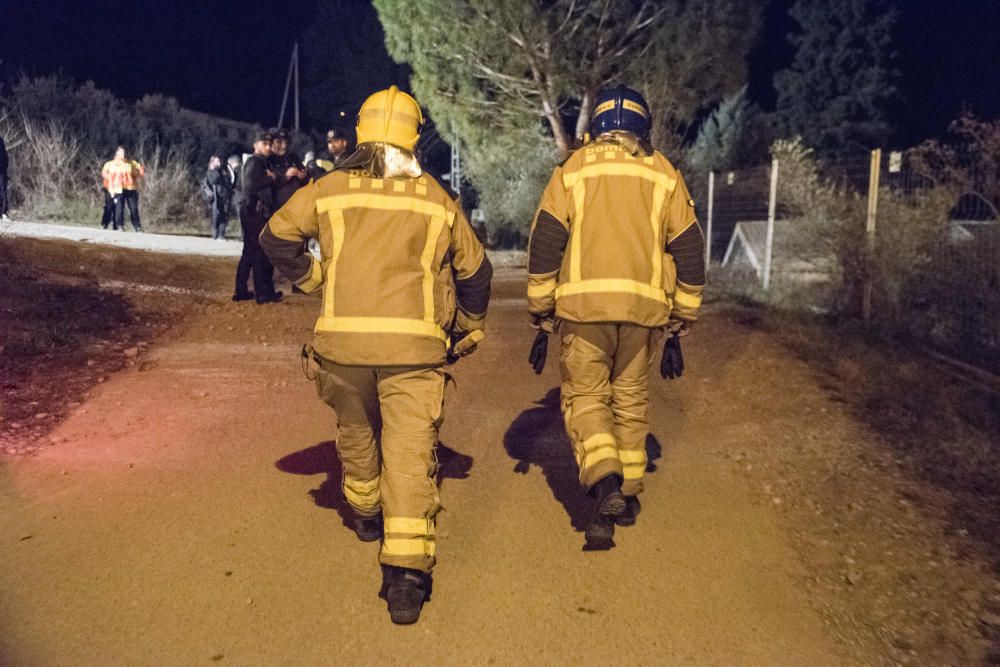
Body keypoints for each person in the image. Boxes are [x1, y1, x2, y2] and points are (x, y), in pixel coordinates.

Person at [260, 86, 492, 624]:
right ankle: (406, 576)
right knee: (410, 453)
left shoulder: (328, 189)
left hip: (341, 347)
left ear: (360, 133)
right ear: (414, 138)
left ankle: (365, 511)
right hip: (414, 350)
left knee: (358, 430)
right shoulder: (435, 197)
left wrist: (313, 278)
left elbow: (275, 239)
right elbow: (476, 271)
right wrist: (471, 327)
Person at [525, 85, 706, 546]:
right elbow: (688, 246)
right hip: (645, 313)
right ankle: (626, 493)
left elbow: (547, 237)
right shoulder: (664, 173)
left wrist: (542, 305)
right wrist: (685, 310)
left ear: (596, 127)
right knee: (629, 399)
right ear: (643, 127)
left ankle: (603, 476)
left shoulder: (573, 170)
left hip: (585, 311)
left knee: (586, 397)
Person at [234, 131, 282, 303]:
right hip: (254, 211)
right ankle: (263, 294)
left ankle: (241, 291)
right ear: (255, 145)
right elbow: (249, 186)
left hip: (253, 211)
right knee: (259, 252)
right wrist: (270, 178)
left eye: (270, 144)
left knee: (249, 251)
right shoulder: (255, 161)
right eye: (265, 144)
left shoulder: (262, 162)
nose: (269, 147)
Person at [100, 147, 131, 231]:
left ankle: (119, 225)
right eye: (122, 152)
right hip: (109, 188)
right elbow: (104, 173)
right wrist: (110, 179)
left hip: (120, 189)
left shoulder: (125, 165)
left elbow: (127, 176)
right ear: (117, 153)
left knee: (120, 208)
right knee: (108, 207)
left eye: (124, 152)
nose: (124, 154)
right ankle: (104, 223)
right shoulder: (109, 164)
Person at [203, 155, 232, 240]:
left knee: (225, 215)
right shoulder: (210, 172)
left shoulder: (223, 171)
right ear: (212, 162)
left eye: (220, 161)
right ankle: (215, 234)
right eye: (217, 161)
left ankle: (221, 235)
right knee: (216, 216)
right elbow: (214, 180)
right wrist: (214, 170)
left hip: (225, 196)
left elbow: (228, 181)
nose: (219, 163)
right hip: (216, 198)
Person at [122, 151, 145, 232]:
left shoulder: (133, 163)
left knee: (133, 208)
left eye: (125, 155)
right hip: (120, 189)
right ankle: (119, 226)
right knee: (119, 209)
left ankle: (137, 226)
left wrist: (138, 173)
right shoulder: (116, 164)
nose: (124, 156)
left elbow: (141, 170)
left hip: (132, 189)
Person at [0, 135, 9, 221]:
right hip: (2, 169)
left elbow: (5, 156)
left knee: (3, 191)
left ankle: (3, 213)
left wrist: (5, 167)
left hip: (1, 170)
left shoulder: (1, 140)